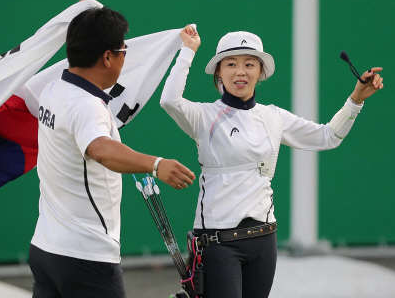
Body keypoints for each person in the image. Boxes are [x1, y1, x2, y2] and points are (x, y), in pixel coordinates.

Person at [160, 25, 384, 298]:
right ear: (219, 72)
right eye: (231, 64)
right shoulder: (204, 116)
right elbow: (169, 100)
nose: (240, 71)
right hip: (219, 243)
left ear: (260, 72)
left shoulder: (274, 117)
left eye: (249, 64)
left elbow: (328, 136)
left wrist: (356, 100)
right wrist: (188, 51)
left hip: (264, 240)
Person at [29, 7, 196, 298]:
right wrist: (156, 165)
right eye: (123, 51)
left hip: (46, 250)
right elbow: (101, 150)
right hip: (85, 256)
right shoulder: (85, 105)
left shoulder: (53, 89)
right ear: (107, 57)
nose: (125, 58)